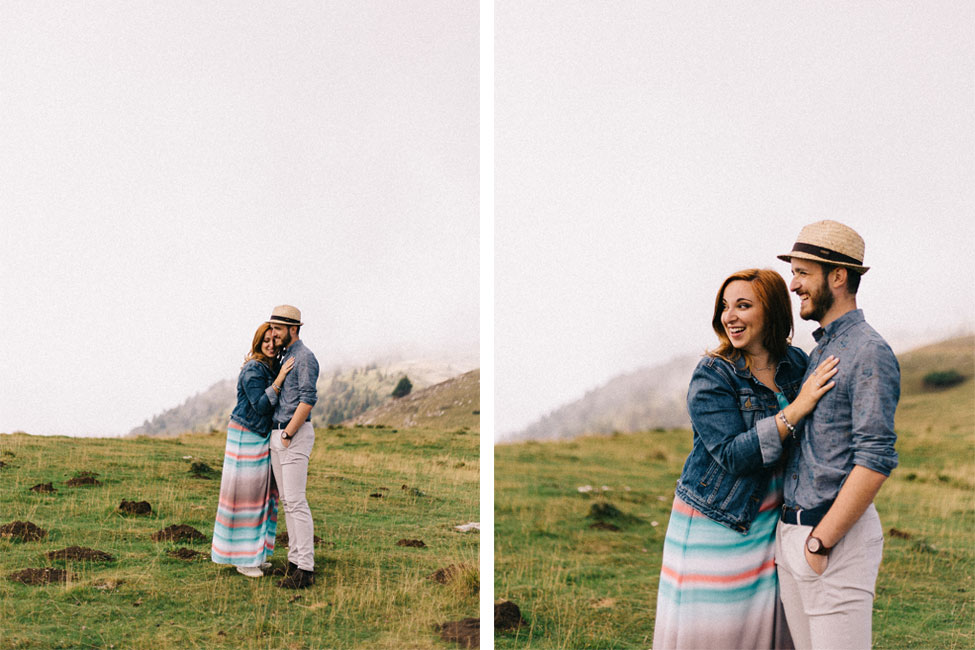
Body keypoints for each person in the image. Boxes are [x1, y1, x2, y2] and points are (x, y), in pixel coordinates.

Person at [653, 268, 840, 650]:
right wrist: (797, 408)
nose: (730, 316)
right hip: (717, 524)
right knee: (716, 635)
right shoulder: (713, 375)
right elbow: (732, 455)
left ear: (770, 311)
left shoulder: (795, 363)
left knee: (766, 631)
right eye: (725, 306)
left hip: (772, 524)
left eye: (743, 305)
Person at [775, 220, 899, 650]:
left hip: (833, 545)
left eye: (803, 273)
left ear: (838, 276)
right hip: (793, 538)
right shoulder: (822, 350)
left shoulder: (869, 351)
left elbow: (876, 459)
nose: (793, 285)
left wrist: (820, 541)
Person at [211, 323, 294, 576]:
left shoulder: (270, 366)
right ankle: (242, 560)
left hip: (260, 436)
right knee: (245, 496)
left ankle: (255, 554)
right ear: (258, 343)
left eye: (274, 340)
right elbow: (260, 406)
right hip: (246, 436)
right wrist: (280, 380)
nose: (271, 345)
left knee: (263, 495)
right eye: (265, 341)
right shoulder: (253, 369)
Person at [267, 304, 320, 589]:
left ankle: (306, 569)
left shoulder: (306, 358)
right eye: (272, 328)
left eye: (278, 328)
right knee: (287, 501)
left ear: (293, 329)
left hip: (293, 435)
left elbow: (308, 399)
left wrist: (287, 433)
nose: (273, 333)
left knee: (297, 502)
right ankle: (294, 562)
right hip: (280, 436)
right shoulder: (287, 356)